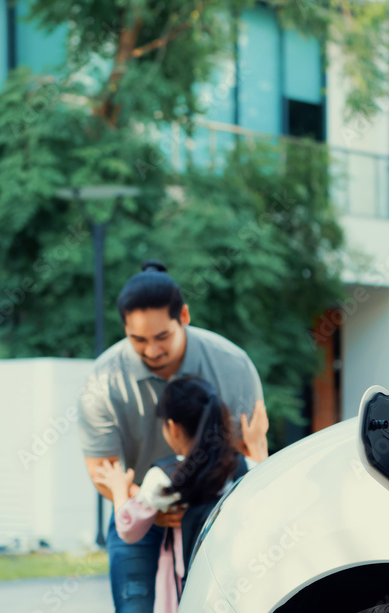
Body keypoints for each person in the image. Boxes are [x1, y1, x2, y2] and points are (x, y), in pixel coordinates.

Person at [78, 260, 269, 613]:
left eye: (162, 337)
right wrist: (151, 507)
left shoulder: (232, 364)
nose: (152, 351)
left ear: (183, 315)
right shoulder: (103, 380)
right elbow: (103, 470)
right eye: (138, 340)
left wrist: (197, 503)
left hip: (215, 511)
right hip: (140, 503)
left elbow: (247, 455)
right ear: (124, 329)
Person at [92, 376, 254, 613]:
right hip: (235, 579)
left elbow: (128, 529)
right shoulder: (244, 469)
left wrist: (119, 487)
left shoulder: (165, 477)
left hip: (184, 585)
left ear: (173, 427)